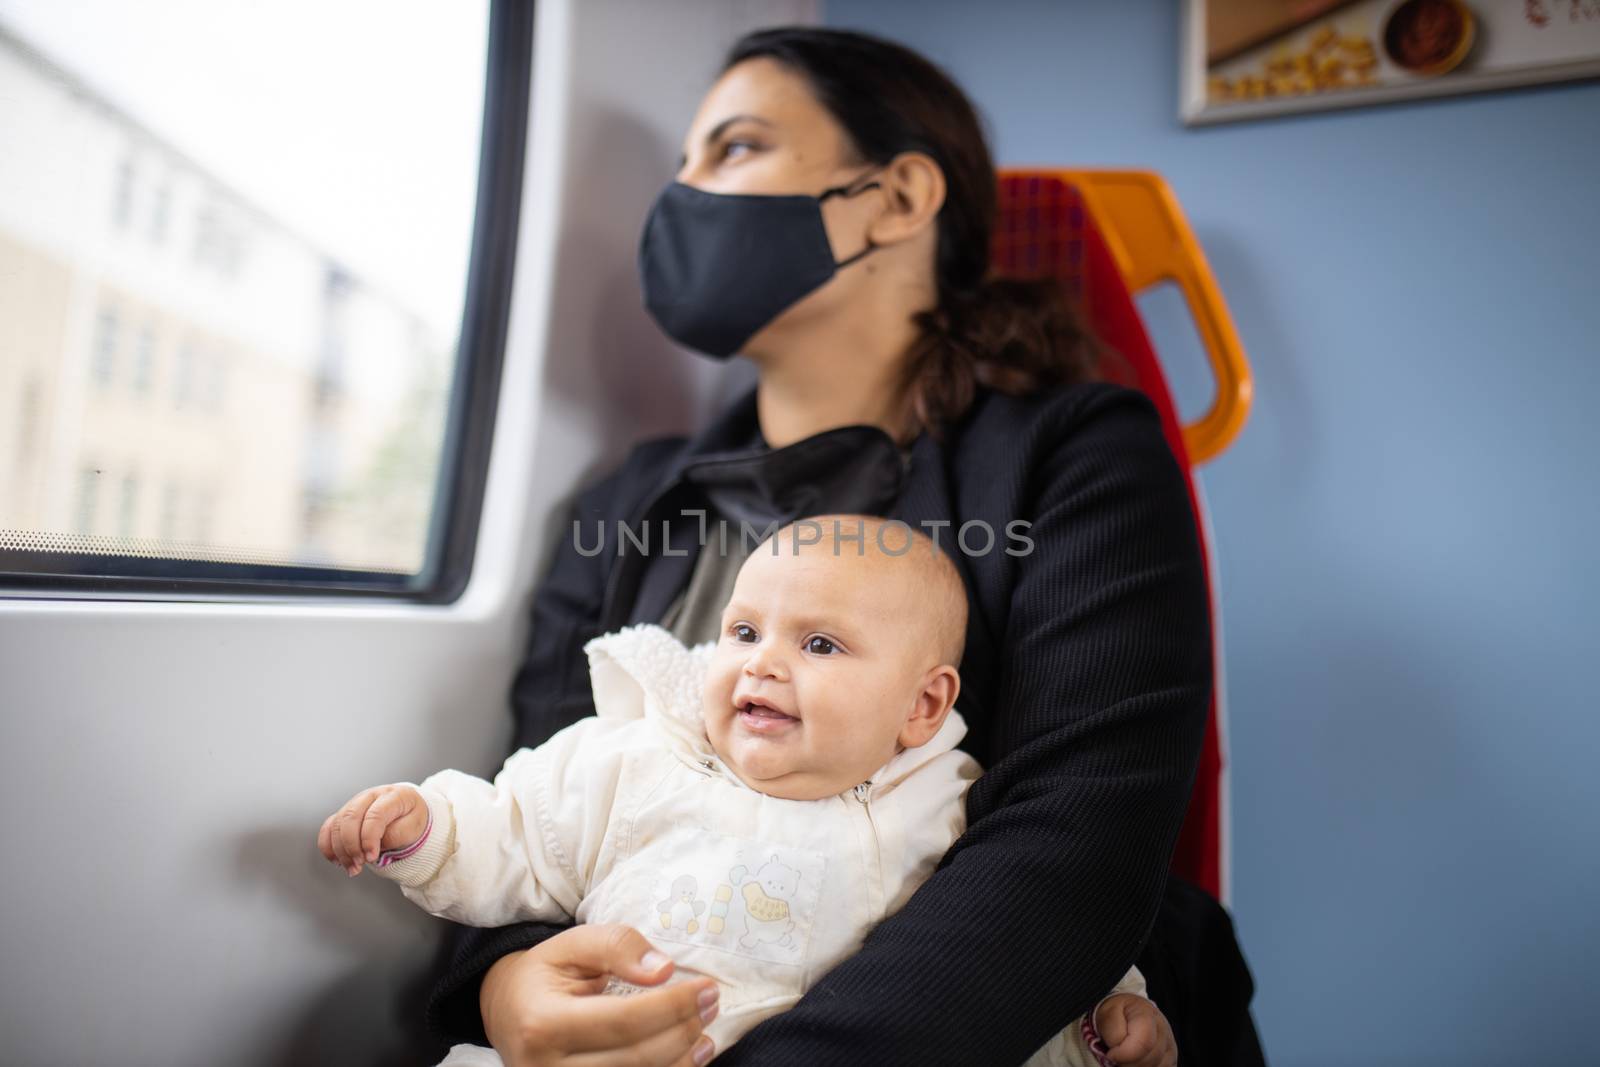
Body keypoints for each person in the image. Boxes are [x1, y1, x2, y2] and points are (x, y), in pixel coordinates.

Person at [420, 24, 1265, 1067]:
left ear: (899, 197)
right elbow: (538, 783)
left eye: (733, 150)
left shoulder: (1078, 451)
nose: (682, 199)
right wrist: (506, 977)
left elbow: (1075, 840)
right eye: (681, 166)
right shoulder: (633, 497)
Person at [321, 518, 1174, 1067]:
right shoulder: (638, 757)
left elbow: (1007, 960)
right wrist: (426, 827)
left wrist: (1097, 1027)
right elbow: (514, 830)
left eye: (822, 645)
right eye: (744, 630)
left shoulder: (946, 812)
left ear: (922, 706)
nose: (763, 661)